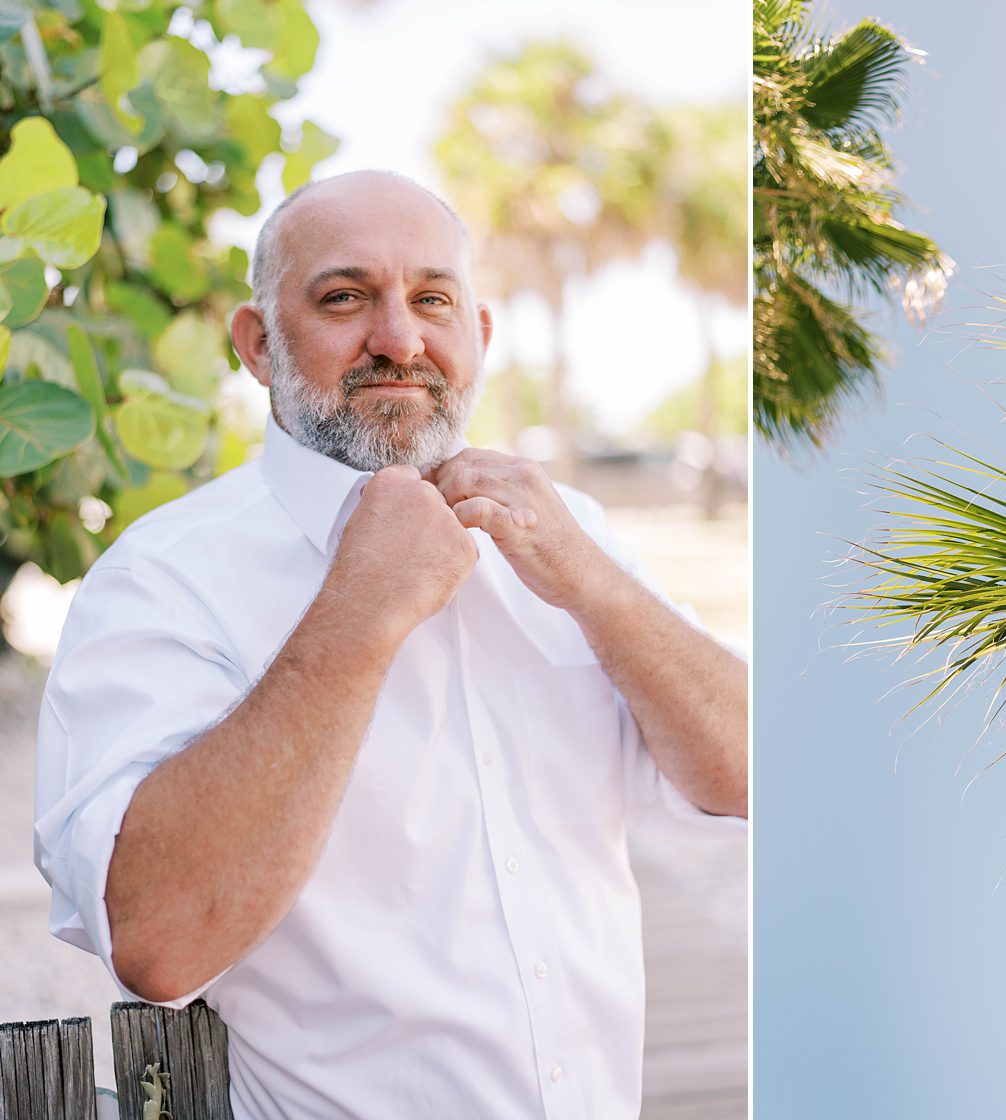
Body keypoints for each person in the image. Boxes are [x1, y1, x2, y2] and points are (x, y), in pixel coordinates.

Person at [33, 170, 748, 1119]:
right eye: (344, 297)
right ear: (257, 343)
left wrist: (589, 580)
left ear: (479, 337)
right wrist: (362, 609)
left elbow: (748, 770)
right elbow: (160, 939)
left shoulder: (570, 535)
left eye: (432, 299)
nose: (399, 339)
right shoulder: (161, 578)